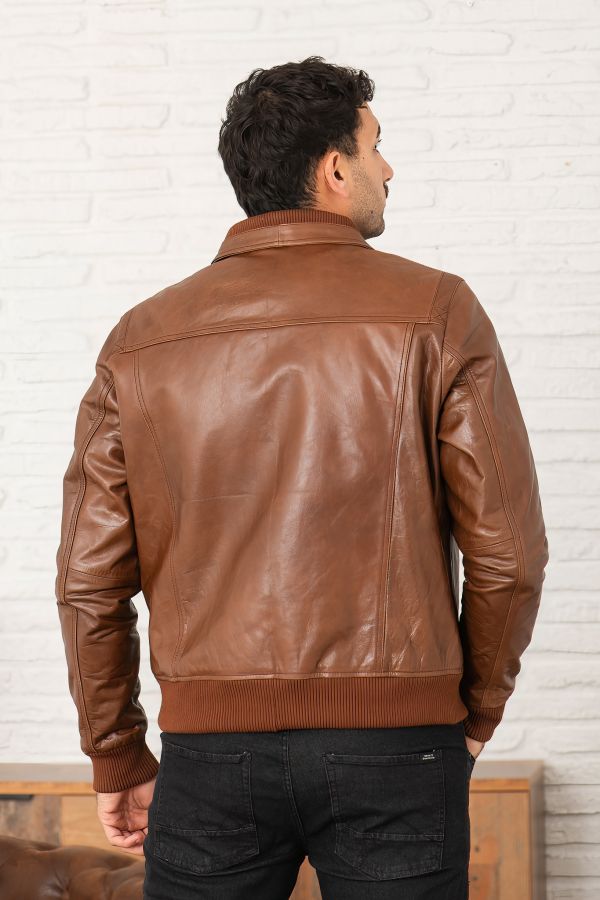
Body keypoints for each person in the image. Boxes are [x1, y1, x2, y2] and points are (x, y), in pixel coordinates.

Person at [54, 56, 549, 900]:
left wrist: (117, 749)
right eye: (375, 146)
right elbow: (509, 556)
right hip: (399, 747)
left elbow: (87, 580)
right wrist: (474, 711)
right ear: (334, 170)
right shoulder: (437, 312)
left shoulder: (140, 340)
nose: (389, 168)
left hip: (211, 758)